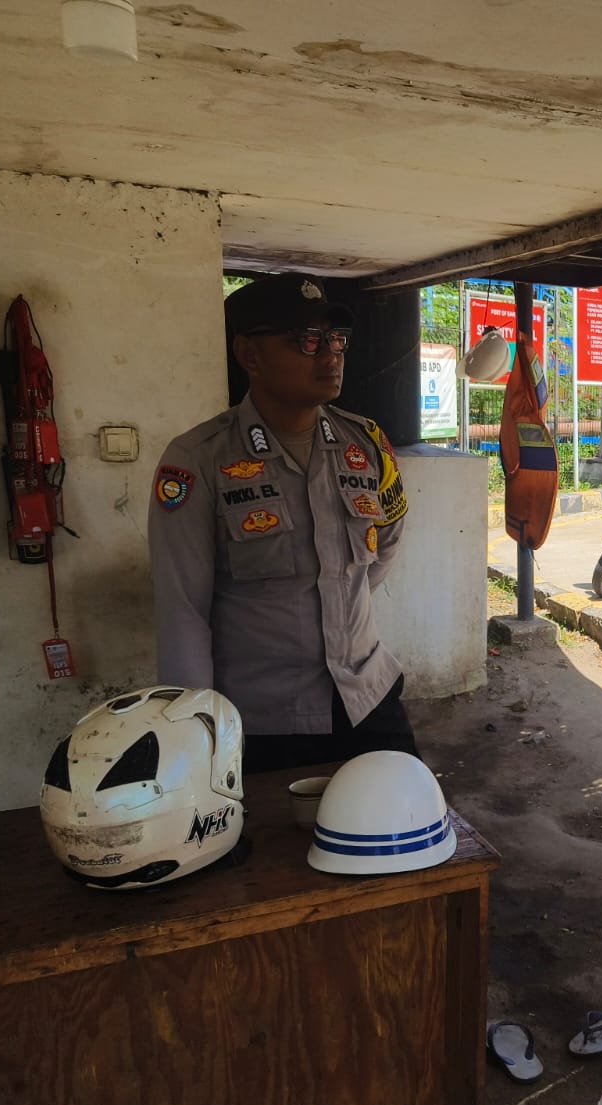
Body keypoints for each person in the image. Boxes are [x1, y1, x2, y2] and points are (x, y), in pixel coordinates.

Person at [149, 272, 416, 774]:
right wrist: (201, 735)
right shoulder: (197, 460)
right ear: (249, 355)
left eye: (336, 339)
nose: (330, 355)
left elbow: (385, 544)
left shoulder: (365, 443)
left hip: (366, 695)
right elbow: (183, 612)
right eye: (306, 340)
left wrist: (336, 600)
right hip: (265, 720)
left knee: (409, 814)